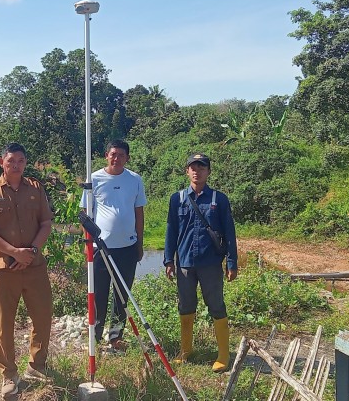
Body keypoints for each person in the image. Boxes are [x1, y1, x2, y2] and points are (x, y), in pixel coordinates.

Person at [0, 143, 53, 399]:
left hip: (34, 266)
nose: (16, 165)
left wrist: (30, 251)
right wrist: (13, 252)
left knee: (42, 317)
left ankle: (37, 366)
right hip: (3, 269)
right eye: (11, 161)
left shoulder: (35, 188)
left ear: (25, 162)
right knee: (4, 325)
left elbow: (45, 222)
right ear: (2, 162)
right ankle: (9, 375)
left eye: (21, 160)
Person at [163, 153, 238, 373]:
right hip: (185, 263)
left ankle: (223, 354)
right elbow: (171, 230)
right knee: (186, 306)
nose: (197, 171)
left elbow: (230, 233)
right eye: (193, 167)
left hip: (211, 263)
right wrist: (169, 259)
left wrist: (231, 262)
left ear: (208, 171)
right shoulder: (177, 198)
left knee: (216, 305)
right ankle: (186, 350)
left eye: (202, 167)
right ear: (187, 171)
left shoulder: (219, 199)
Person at [81, 139, 147, 350]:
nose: (116, 158)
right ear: (106, 156)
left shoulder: (135, 180)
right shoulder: (95, 179)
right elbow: (86, 214)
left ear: (127, 158)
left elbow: (139, 212)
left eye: (121, 155)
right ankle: (96, 335)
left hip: (127, 248)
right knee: (99, 292)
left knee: (122, 293)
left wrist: (140, 242)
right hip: (101, 247)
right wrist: (87, 242)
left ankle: (116, 336)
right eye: (113, 154)